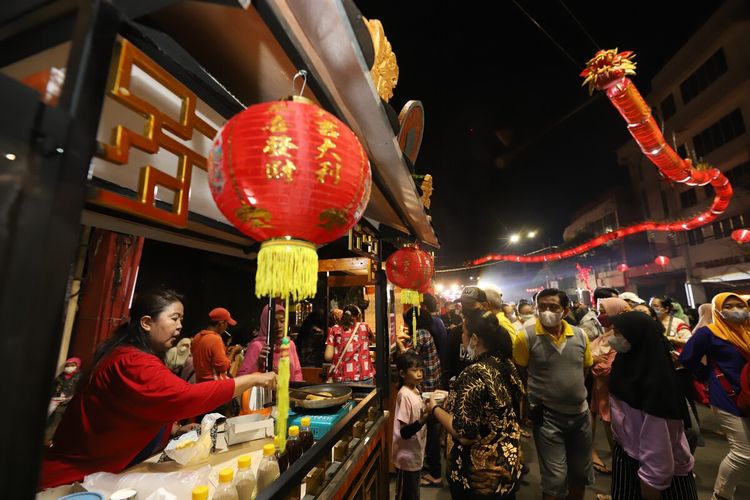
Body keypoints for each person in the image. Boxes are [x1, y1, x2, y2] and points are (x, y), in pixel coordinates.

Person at [40, 289, 277, 488]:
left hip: (104, 473)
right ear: (146, 322)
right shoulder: (132, 361)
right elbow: (184, 397)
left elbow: (138, 408)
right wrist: (254, 378)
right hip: (75, 481)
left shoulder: (131, 354)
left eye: (181, 320)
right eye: (174, 318)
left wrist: (173, 429)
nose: (179, 326)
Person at [426, 309, 524, 499]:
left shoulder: (474, 372)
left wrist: (435, 408)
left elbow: (465, 434)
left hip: (480, 476)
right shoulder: (505, 363)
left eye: (463, 332)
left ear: (475, 339)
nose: (461, 337)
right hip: (507, 464)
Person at [512, 288, 593, 500]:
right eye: (542, 307)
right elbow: (521, 373)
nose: (547, 311)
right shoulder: (525, 337)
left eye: (553, 307)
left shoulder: (580, 335)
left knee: (579, 474)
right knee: (555, 479)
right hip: (548, 417)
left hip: (581, 415)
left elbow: (584, 369)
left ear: (565, 311)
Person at [608, 312, 697, 499]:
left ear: (636, 338)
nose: (612, 338)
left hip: (658, 477)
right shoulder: (625, 364)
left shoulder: (657, 383)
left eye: (618, 333)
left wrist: (652, 483)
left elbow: (659, 448)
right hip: (628, 457)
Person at [679, 293, 750, 500]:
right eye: (729, 306)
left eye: (740, 305)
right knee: (743, 452)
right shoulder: (709, 333)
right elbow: (687, 357)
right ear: (718, 309)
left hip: (748, 394)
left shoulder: (746, 329)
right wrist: (707, 376)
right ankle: (721, 495)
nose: (737, 309)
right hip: (727, 397)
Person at [589, 298, 630, 476]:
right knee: (615, 446)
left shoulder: (623, 338)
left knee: (624, 445)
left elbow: (605, 370)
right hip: (602, 397)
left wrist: (589, 360)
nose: (600, 316)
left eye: (605, 312)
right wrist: (592, 360)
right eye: (599, 311)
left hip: (618, 399)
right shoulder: (604, 336)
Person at [393, 352, 429, 500]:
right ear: (402, 373)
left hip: (415, 453)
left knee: (413, 493)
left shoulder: (416, 390)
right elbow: (404, 432)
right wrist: (423, 421)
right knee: (406, 495)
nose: (419, 373)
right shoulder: (404, 395)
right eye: (414, 370)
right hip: (406, 458)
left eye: (420, 370)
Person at [238, 303, 303, 381]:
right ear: (266, 323)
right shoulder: (257, 346)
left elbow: (297, 373)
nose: (279, 325)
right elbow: (241, 379)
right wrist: (258, 364)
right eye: (274, 322)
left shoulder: (289, 344)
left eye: (282, 321)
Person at [324, 305, 375, 383]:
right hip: (365, 375)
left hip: (342, 377)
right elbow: (374, 340)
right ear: (359, 316)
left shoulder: (334, 329)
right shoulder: (365, 327)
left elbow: (328, 356)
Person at [191, 307, 242, 382]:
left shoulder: (197, 336)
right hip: (213, 383)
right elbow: (223, 367)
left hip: (199, 382)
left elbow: (207, 359)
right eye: (227, 324)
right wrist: (233, 352)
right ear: (221, 323)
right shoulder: (216, 339)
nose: (226, 327)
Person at [45, 358, 83, 443]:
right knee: (53, 419)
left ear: (77, 366)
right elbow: (53, 387)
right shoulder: (61, 376)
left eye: (72, 365)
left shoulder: (79, 377)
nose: (69, 368)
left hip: (70, 402)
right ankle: (48, 439)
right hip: (57, 400)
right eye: (67, 365)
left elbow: (80, 389)